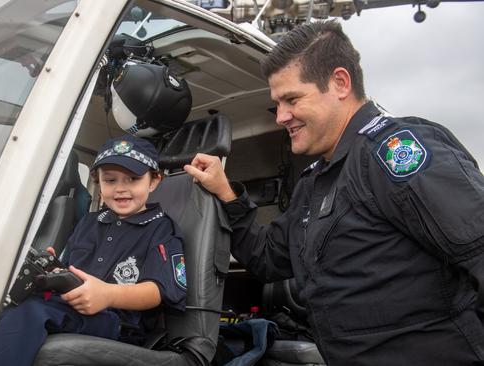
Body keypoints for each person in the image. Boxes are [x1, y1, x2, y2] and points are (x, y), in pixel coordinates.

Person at [183, 20, 484, 365]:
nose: (281, 116)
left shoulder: (392, 152)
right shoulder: (316, 182)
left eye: (292, 99)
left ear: (340, 83)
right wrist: (226, 194)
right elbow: (267, 258)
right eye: (277, 104)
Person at [0, 135, 187, 366]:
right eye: (110, 180)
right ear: (98, 182)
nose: (121, 189)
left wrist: (108, 294)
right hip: (68, 306)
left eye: (132, 179)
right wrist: (52, 267)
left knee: (31, 312)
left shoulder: (161, 228)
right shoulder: (90, 222)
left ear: (153, 181)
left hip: (118, 322)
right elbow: (69, 268)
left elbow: (160, 291)